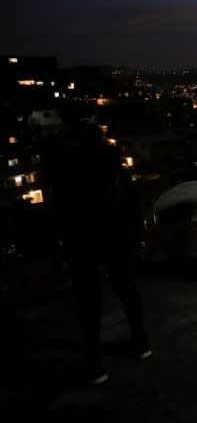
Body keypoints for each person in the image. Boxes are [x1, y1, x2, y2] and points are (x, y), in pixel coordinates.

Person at [44, 121, 151, 385]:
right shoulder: (112, 165)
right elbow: (131, 202)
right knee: (126, 288)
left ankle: (93, 366)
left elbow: (59, 206)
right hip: (116, 237)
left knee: (89, 301)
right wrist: (137, 235)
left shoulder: (68, 169)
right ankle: (141, 344)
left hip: (82, 239)